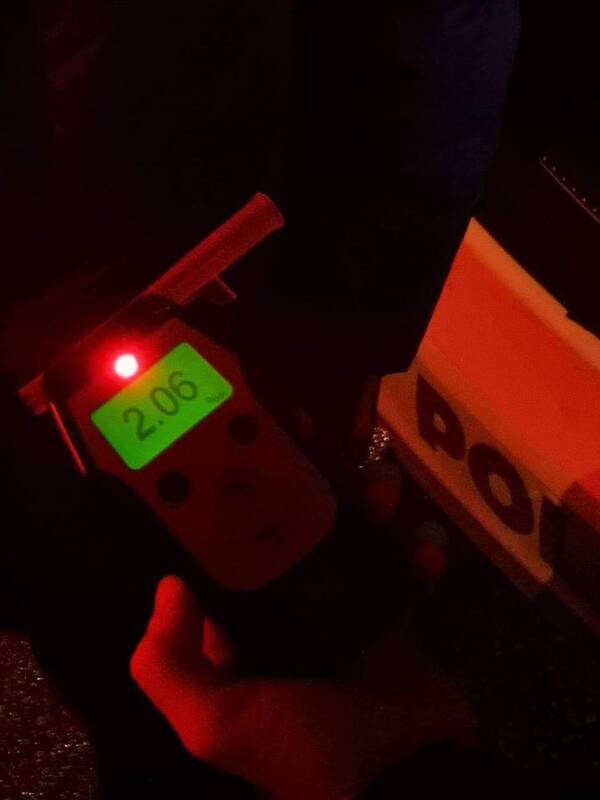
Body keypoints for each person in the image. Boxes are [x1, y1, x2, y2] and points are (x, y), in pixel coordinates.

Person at [1, 0, 521, 797]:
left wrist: (345, 330)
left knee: (204, 644)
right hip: (54, 451)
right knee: (118, 655)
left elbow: (434, 26)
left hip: (227, 315)